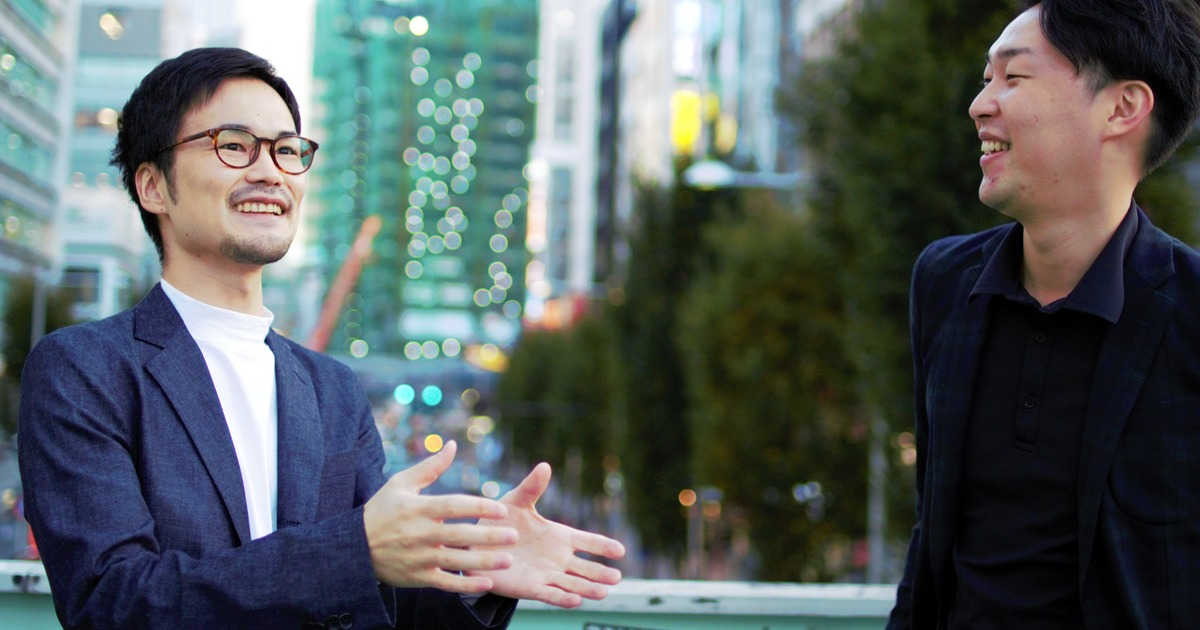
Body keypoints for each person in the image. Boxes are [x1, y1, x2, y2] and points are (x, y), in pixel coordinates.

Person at [18, 47, 625, 630]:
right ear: (153, 186)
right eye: (234, 145)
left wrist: (482, 571)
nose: (269, 172)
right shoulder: (83, 371)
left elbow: (384, 600)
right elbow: (110, 604)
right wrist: (351, 549)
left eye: (287, 151)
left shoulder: (331, 388)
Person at [889, 0, 1200, 627]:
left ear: (1122, 107)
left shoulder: (1190, 309)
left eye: (1014, 76)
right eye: (987, 79)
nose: (980, 105)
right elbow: (933, 531)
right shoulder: (944, 281)